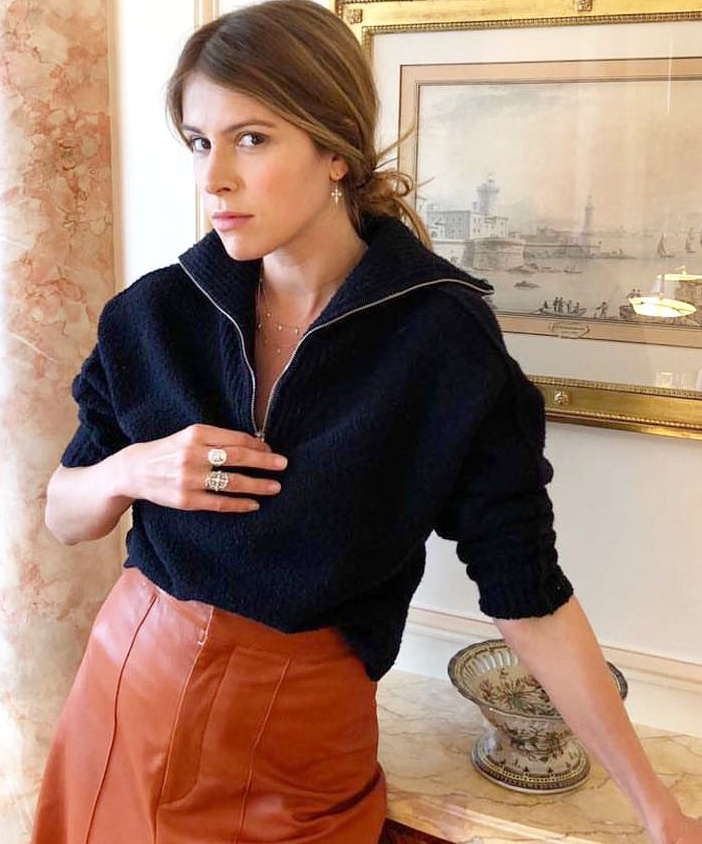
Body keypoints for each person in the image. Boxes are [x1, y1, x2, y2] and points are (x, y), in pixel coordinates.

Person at [32, 2, 701, 843]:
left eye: (251, 139)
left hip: (301, 746)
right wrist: (133, 470)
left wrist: (657, 809)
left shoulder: (441, 339)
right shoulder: (155, 315)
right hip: (127, 698)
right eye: (200, 142)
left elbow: (525, 589)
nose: (214, 179)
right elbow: (65, 515)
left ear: (336, 149)